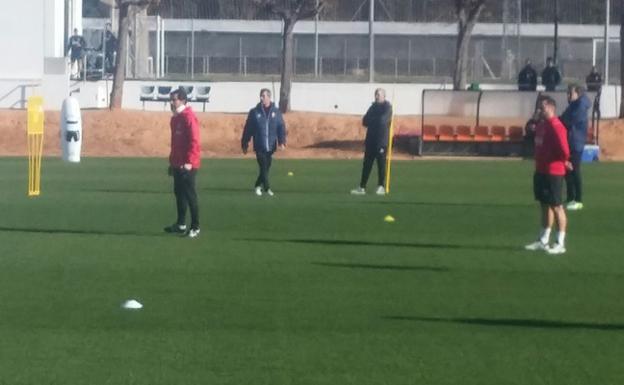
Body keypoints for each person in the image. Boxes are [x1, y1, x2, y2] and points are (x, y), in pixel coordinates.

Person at [525, 96, 572, 255]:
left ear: (551, 108)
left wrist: (564, 161)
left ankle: (560, 242)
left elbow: (565, 150)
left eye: (542, 108)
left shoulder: (557, 126)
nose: (539, 110)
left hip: (553, 171)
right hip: (541, 170)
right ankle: (543, 240)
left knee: (557, 206)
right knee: (545, 204)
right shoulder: (541, 125)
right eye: (538, 107)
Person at [164, 88, 201, 238]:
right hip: (178, 163)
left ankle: (195, 226)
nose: (172, 103)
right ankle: (181, 224)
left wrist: (190, 162)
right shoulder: (175, 118)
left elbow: (195, 141)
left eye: (175, 100)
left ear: (183, 100)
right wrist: (172, 162)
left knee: (190, 195)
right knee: (179, 194)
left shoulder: (189, 117)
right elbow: (175, 143)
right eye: (171, 100)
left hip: (188, 164)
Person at [241, 88, 287, 196]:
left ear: (269, 97)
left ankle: (257, 185)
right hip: (259, 145)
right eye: (261, 96)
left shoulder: (276, 112)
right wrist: (245, 143)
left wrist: (282, 141)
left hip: (270, 146)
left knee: (266, 167)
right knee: (263, 166)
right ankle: (267, 188)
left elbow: (281, 127)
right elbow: (248, 128)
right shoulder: (254, 112)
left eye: (264, 96)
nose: (262, 98)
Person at [351, 88, 393, 196]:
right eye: (376, 94)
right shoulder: (372, 107)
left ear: (384, 96)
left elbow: (382, 120)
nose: (377, 96)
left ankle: (381, 186)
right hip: (370, 140)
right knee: (367, 165)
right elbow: (365, 121)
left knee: (381, 164)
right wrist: (374, 119)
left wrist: (372, 119)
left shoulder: (387, 107)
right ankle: (362, 187)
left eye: (379, 94)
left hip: (381, 141)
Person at [560, 84, 591, 211]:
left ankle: (578, 200)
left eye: (570, 93)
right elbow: (563, 118)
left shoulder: (580, 107)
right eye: (567, 93)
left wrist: (559, 121)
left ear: (578, 94)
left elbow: (567, 120)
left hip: (576, 142)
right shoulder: (573, 105)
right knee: (568, 170)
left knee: (575, 170)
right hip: (570, 141)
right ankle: (570, 197)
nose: (568, 96)